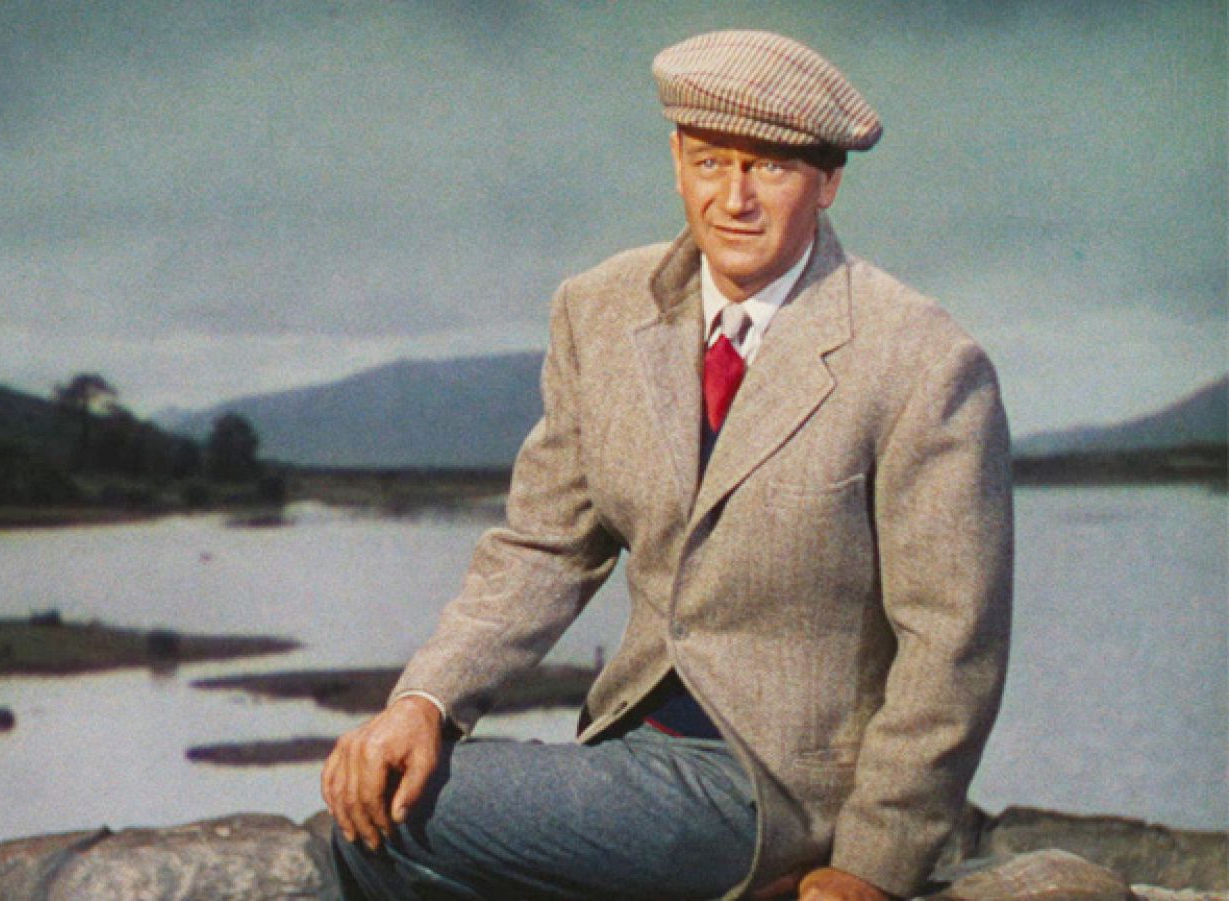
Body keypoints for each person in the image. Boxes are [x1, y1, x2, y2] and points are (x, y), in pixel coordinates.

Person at [322, 28, 1012, 901]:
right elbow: (543, 548)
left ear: (828, 180)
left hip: (780, 788)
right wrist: (423, 702)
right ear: (676, 161)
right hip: (628, 742)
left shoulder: (922, 358)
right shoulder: (600, 309)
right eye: (711, 161)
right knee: (378, 794)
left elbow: (952, 643)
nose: (735, 198)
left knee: (411, 815)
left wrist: (872, 865)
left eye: (770, 168)